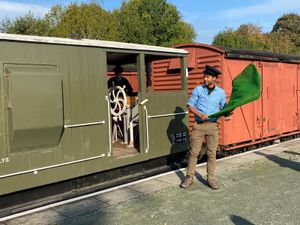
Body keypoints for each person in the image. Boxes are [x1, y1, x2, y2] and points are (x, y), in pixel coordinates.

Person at [180, 65, 230, 190]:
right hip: (199, 126)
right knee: (194, 153)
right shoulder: (198, 90)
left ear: (214, 78)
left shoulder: (221, 93)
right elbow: (190, 106)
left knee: (212, 153)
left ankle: (211, 179)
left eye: (207, 77)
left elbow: (224, 108)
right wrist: (200, 114)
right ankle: (189, 178)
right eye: (205, 76)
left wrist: (228, 112)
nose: (205, 79)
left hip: (213, 126)